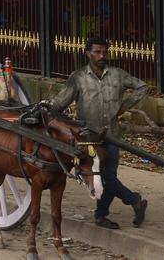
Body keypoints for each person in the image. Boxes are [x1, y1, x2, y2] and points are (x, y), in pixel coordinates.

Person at [46, 36, 149, 229]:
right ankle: (134, 200)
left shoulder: (117, 74)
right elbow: (61, 102)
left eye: (104, 52)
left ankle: (102, 215)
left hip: (112, 135)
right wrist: (48, 110)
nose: (102, 56)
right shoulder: (78, 77)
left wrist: (124, 106)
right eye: (97, 52)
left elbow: (142, 87)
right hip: (88, 138)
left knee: (109, 175)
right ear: (88, 53)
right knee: (104, 176)